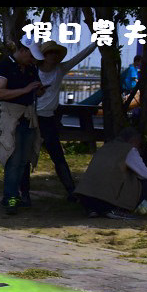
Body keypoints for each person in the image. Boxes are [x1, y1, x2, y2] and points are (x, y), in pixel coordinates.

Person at [36, 39, 97, 199]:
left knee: (58, 156)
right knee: (25, 156)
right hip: (32, 118)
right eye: (51, 53)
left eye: (56, 53)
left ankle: (71, 190)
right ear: (44, 56)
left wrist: (96, 43)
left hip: (49, 118)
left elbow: (80, 56)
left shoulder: (60, 69)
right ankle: (22, 194)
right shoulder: (33, 71)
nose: (54, 57)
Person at [0, 36, 44, 215]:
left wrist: (38, 89)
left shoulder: (30, 68)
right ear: (22, 50)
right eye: (31, 55)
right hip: (11, 116)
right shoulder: (5, 65)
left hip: (28, 116)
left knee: (23, 160)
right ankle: (10, 198)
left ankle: (18, 195)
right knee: (13, 159)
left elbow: (34, 89)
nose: (32, 60)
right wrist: (25, 90)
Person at [75, 127, 147, 219]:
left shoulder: (105, 147)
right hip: (106, 198)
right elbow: (146, 174)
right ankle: (117, 209)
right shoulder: (129, 150)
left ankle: (92, 209)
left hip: (86, 196)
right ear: (134, 140)